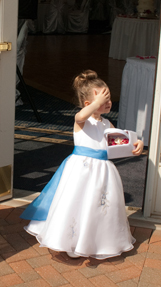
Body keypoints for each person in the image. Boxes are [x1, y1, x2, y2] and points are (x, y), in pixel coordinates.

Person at [21, 70, 143, 259]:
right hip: (81, 169)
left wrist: (137, 144)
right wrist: (95, 104)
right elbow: (79, 117)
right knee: (76, 202)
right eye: (104, 99)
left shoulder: (107, 124)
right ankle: (71, 240)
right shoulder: (82, 121)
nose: (109, 103)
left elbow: (121, 142)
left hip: (103, 171)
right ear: (89, 104)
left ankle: (93, 240)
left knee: (95, 206)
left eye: (109, 98)